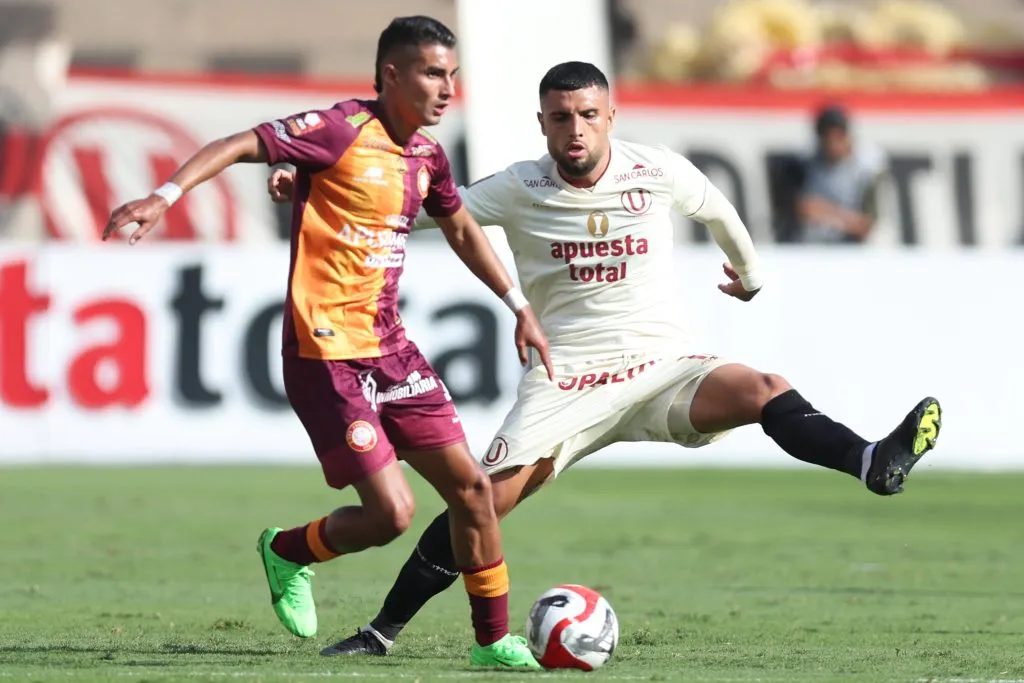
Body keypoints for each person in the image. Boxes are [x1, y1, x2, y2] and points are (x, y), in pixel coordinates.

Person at [268, 61, 942, 658]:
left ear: (610, 115)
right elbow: (414, 209)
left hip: (662, 366)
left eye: (588, 114)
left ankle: (872, 461)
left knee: (763, 386)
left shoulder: (655, 169)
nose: (576, 130)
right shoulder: (518, 186)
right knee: (481, 504)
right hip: (567, 381)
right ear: (542, 123)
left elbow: (716, 209)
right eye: (561, 118)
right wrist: (314, 180)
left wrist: (751, 273)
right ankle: (381, 632)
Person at [102, 15, 552, 670]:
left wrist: (518, 305)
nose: (448, 88)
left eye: (452, 74)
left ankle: (492, 643)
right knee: (392, 515)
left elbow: (460, 230)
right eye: (432, 73)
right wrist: (163, 195)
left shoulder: (427, 156)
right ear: (392, 74)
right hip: (326, 353)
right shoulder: (339, 129)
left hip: (391, 347)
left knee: (473, 492)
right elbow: (240, 142)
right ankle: (287, 551)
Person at [796, 104, 887, 244]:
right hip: (812, 250)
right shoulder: (807, 165)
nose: (832, 143)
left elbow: (866, 225)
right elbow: (802, 209)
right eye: (827, 137)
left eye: (838, 136)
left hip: (852, 253)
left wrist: (822, 212)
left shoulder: (866, 171)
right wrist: (848, 219)